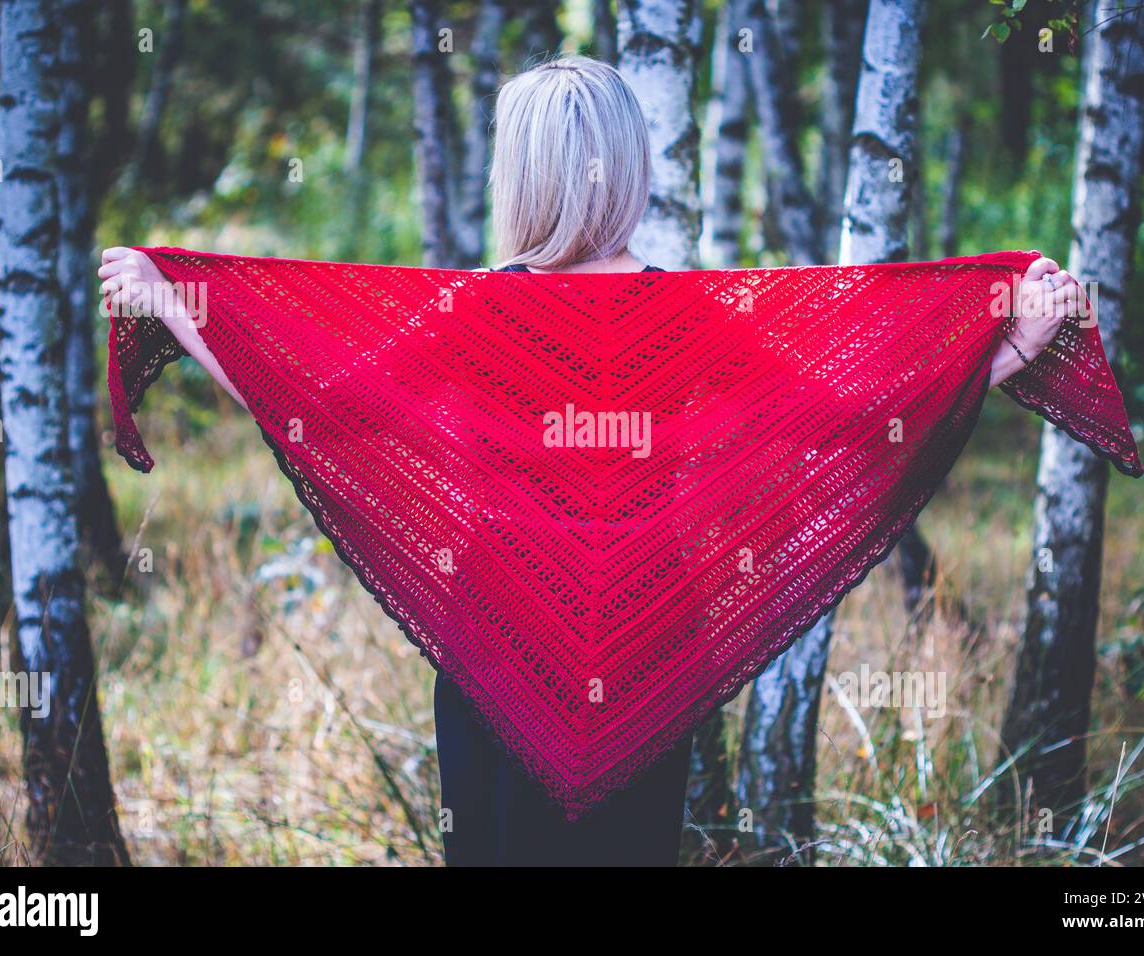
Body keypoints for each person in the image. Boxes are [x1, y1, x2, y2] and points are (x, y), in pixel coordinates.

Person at [99, 56, 1085, 866]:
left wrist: (177, 308)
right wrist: (1003, 344)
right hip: (647, 627)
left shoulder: (473, 310)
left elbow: (313, 410)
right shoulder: (685, 315)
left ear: (521, 173)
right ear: (626, 164)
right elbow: (853, 421)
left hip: (497, 623)